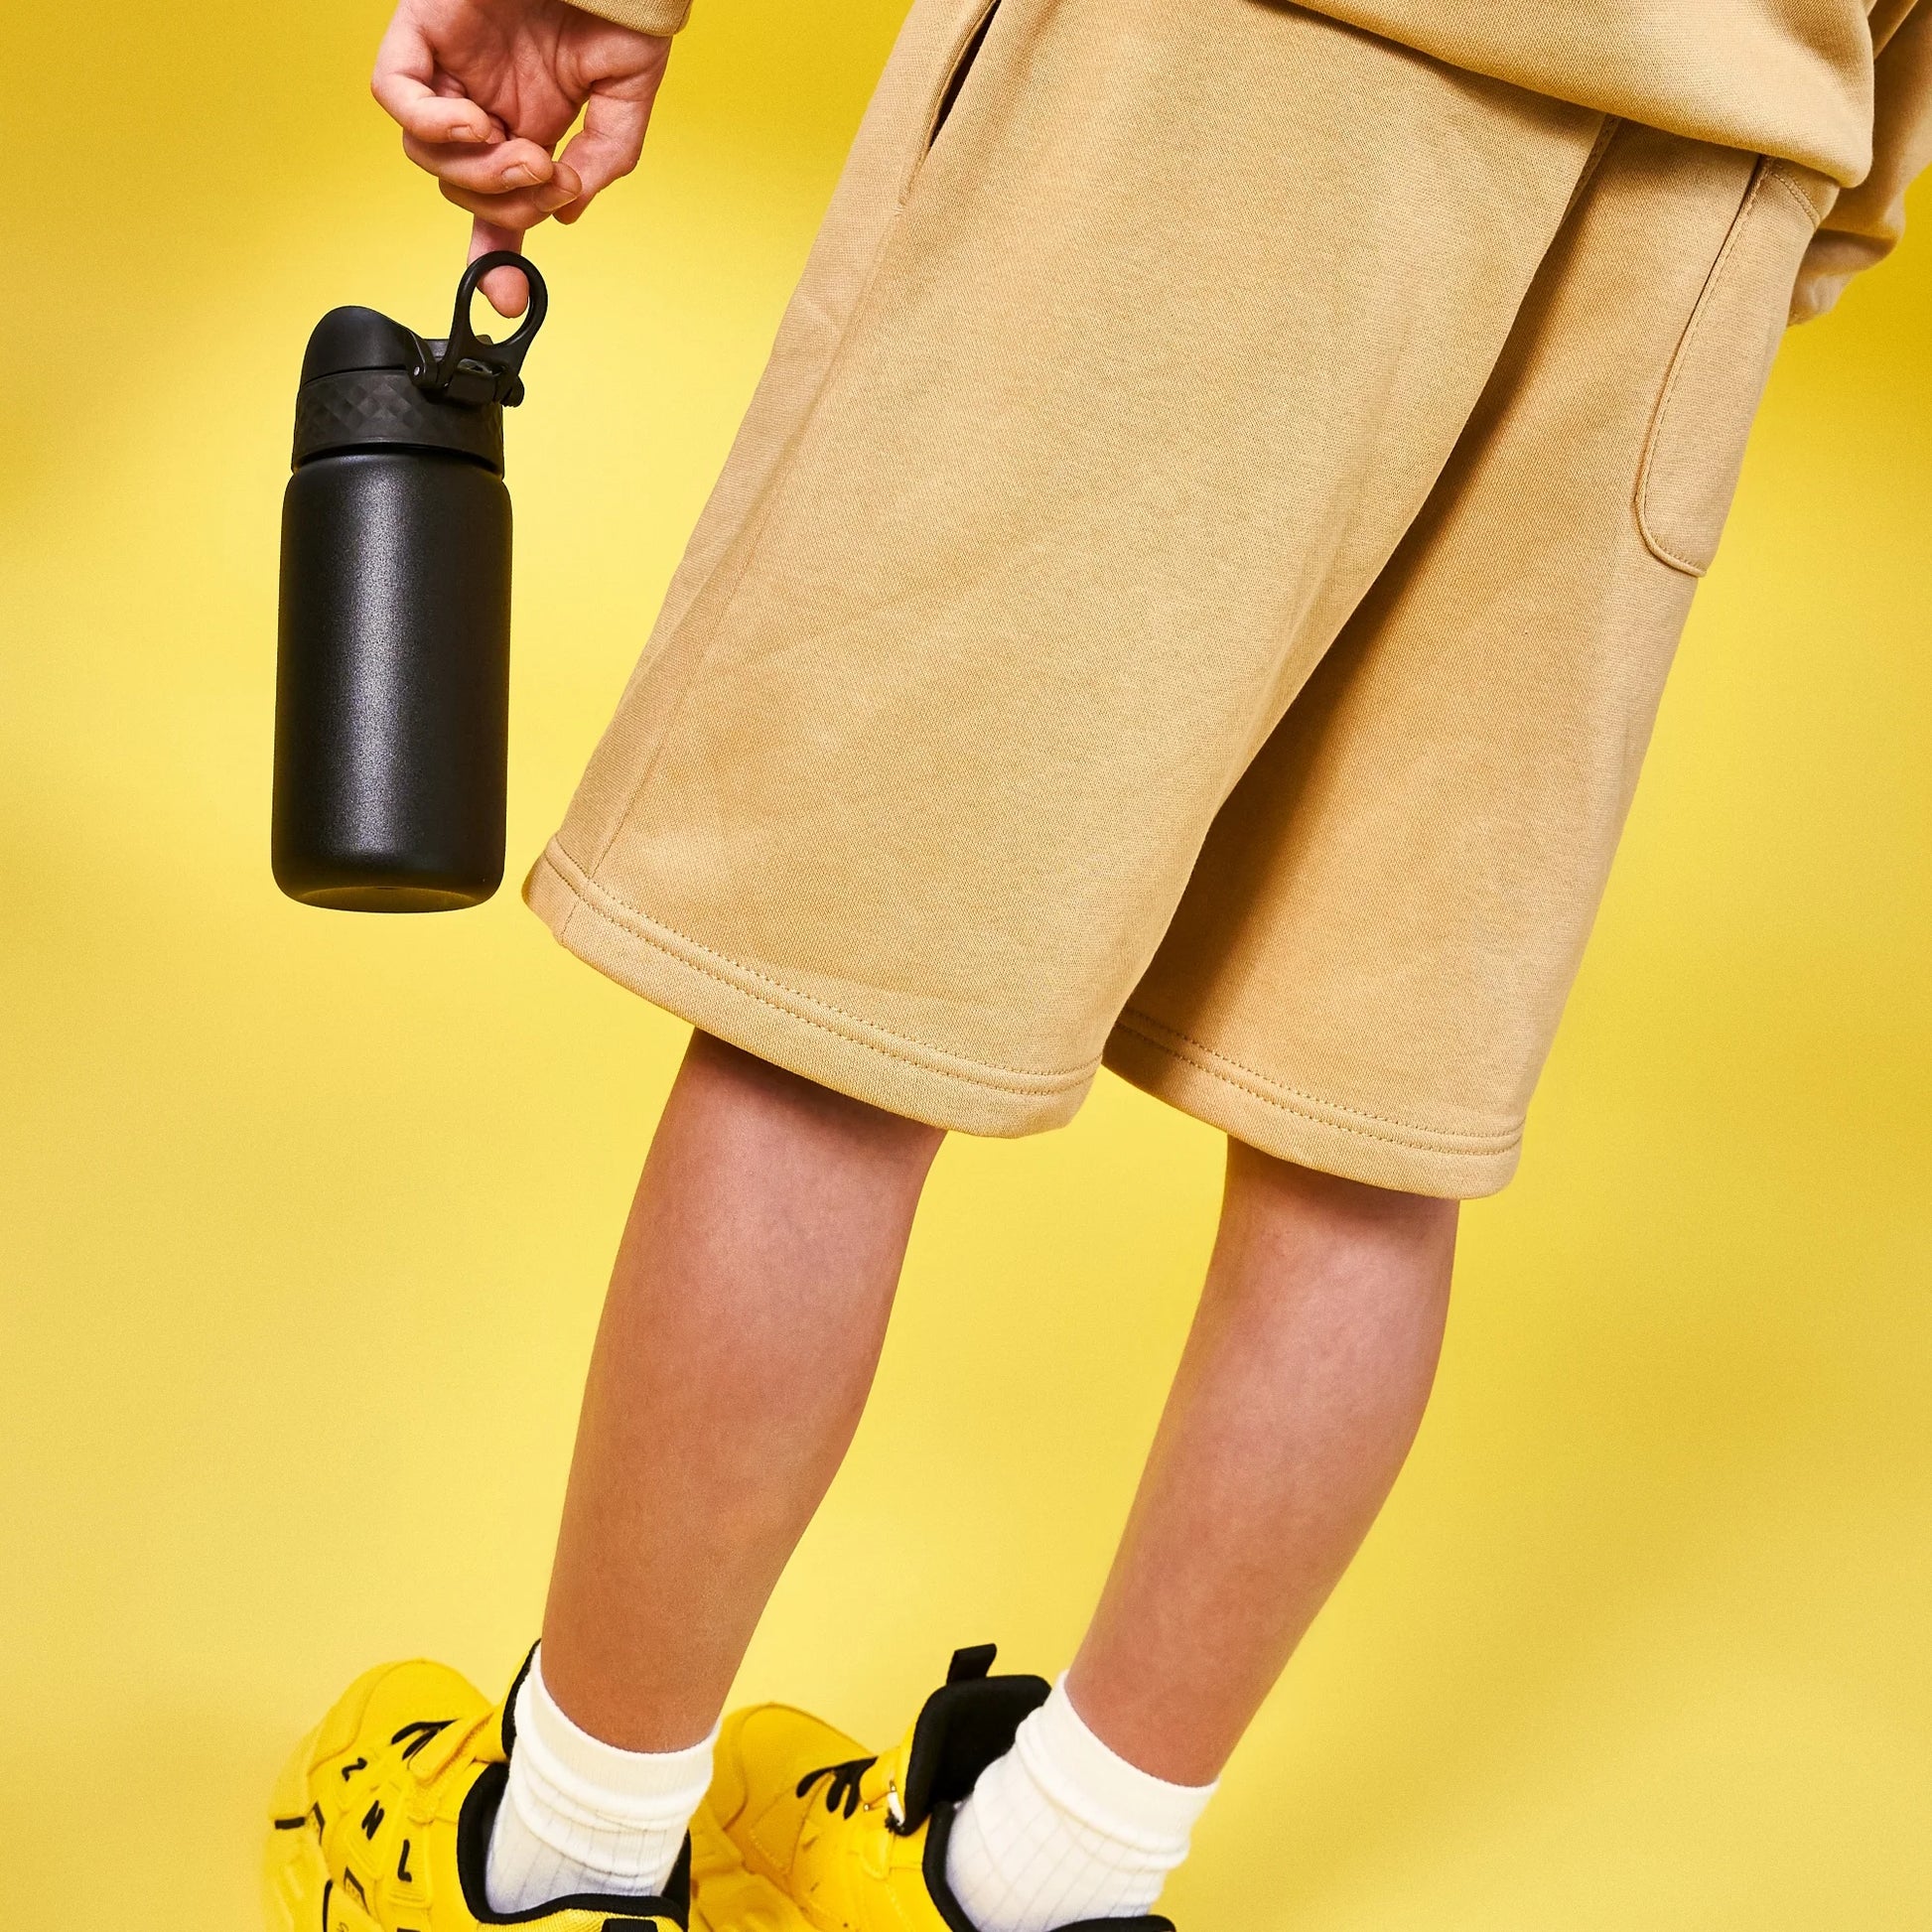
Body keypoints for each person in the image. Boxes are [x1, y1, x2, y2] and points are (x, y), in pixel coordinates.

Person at [264, 3, 1932, 1929]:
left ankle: (559, 1848)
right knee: (1364, 1112)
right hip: (1702, 154)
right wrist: (1831, 146)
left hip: (1228, 82)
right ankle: (1045, 1878)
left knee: (842, 1001)